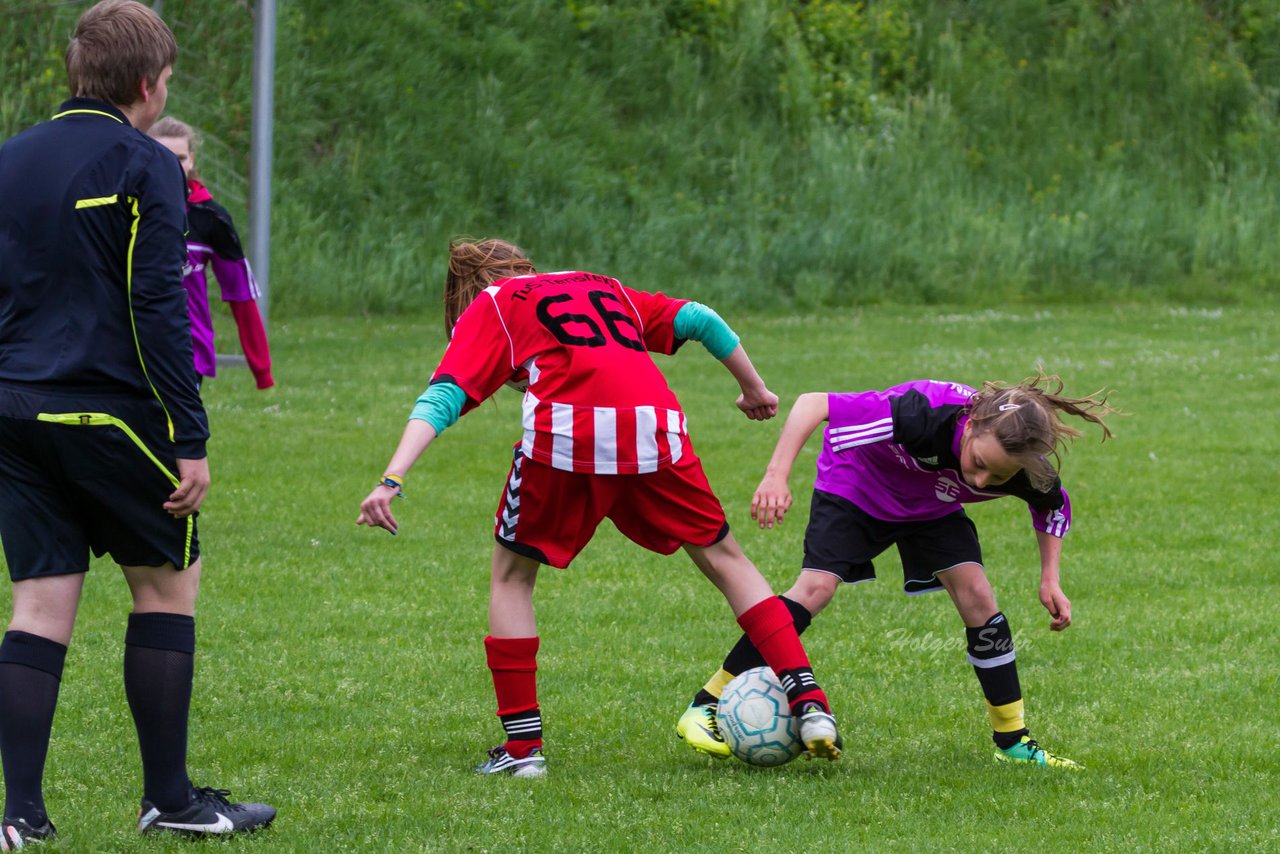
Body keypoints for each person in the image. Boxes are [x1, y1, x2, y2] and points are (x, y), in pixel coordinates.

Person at [358, 238, 843, 777]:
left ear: (464, 293)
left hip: (567, 432)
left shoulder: (493, 303)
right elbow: (701, 318)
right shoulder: (599, 285)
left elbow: (443, 395)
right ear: (528, 264)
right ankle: (810, 702)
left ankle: (523, 752)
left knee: (513, 578)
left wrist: (391, 477)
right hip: (654, 424)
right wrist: (753, 389)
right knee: (728, 561)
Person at [0, 1, 275, 845]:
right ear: (151, 84)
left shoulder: (9, 160)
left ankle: (19, 815)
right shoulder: (144, 163)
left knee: (40, 603)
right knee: (164, 587)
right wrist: (189, 438)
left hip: (12, 410)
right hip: (110, 414)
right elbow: (158, 306)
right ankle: (171, 800)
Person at [674, 375, 1114, 769]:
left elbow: (1053, 507)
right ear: (973, 424)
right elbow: (813, 402)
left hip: (928, 503)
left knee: (978, 596)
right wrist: (776, 475)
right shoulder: (923, 412)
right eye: (979, 463)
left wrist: (1049, 578)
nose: (981, 481)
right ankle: (706, 704)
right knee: (815, 589)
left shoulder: (1017, 466)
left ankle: (1013, 741)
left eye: (996, 475)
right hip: (858, 481)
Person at [148, 116, 274, 391]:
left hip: (188, 349)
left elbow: (241, 293)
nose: (172, 166)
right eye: (162, 156)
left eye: (180, 158)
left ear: (192, 160)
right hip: (134, 345)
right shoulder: (128, 209)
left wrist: (261, 367)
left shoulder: (211, 218)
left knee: (179, 432)